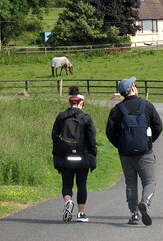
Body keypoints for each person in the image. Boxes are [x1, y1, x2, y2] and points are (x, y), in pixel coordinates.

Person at [106, 77, 163, 226]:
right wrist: (149, 142)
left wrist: (120, 145)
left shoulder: (117, 110)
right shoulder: (147, 106)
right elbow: (158, 126)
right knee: (149, 181)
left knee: (130, 183)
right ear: (132, 89)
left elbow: (110, 132)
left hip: (126, 154)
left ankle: (134, 214)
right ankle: (145, 201)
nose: (136, 86)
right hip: (145, 152)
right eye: (135, 85)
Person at [51, 86, 97, 223]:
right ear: (81, 102)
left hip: (66, 157)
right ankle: (81, 214)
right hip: (82, 157)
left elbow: (54, 136)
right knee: (82, 184)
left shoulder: (61, 116)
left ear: (70, 102)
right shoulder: (86, 118)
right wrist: (93, 155)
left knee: (67, 184)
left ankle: (68, 201)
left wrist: (58, 152)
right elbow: (92, 139)